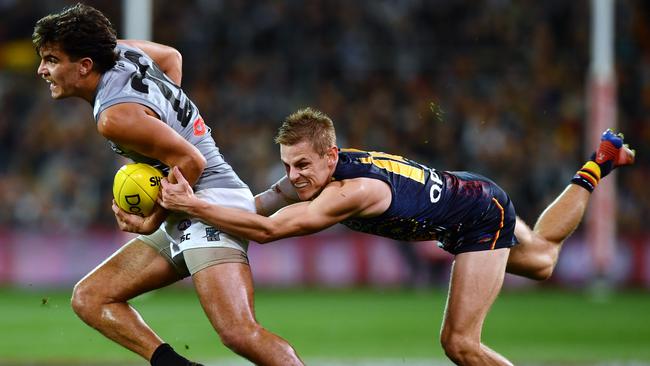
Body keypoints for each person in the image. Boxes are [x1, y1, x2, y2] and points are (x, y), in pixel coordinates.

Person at [149, 107, 635, 365]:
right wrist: (187, 218)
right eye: (287, 165)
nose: (294, 176)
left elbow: (270, 230)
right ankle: (600, 161)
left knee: (460, 344)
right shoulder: (317, 173)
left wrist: (193, 205)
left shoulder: (348, 191)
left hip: (478, 218)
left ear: (330, 155)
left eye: (302, 165)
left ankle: (598, 162)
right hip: (467, 195)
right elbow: (259, 207)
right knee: (544, 261)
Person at [32, 4, 304, 366]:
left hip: (210, 204)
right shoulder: (123, 53)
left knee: (239, 332)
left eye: (51, 59)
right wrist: (163, 114)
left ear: (84, 65)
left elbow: (193, 161)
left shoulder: (115, 117)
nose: (41, 70)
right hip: (188, 204)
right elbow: (170, 57)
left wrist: (152, 220)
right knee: (91, 297)